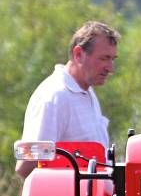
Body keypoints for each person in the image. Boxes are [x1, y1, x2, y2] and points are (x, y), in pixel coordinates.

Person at [17, 21, 120, 178]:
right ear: (78, 54)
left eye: (113, 59)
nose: (110, 67)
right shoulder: (55, 97)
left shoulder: (87, 92)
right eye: (104, 58)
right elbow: (26, 165)